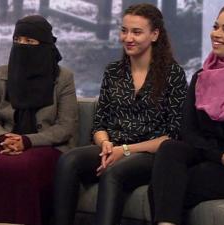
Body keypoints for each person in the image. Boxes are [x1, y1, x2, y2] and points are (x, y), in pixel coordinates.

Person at [53, 3, 187, 225]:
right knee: (68, 160)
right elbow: (99, 123)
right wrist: (105, 144)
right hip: (112, 147)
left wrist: (124, 151)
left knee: (113, 172)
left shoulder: (173, 75)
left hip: (149, 153)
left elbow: (172, 137)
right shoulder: (113, 71)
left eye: (136, 32)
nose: (128, 38)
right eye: (124, 30)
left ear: (154, 35)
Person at [148, 3, 224, 225]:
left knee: (164, 189)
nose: (216, 34)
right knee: (170, 148)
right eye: (215, 27)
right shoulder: (201, 77)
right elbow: (189, 132)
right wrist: (221, 156)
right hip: (211, 156)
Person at [0, 15, 78, 225]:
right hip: (6, 141)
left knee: (22, 170)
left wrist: (26, 141)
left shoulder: (63, 78)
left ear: (44, 45)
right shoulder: (1, 74)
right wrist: (4, 138)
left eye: (30, 42)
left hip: (47, 146)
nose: (22, 46)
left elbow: (65, 127)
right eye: (18, 40)